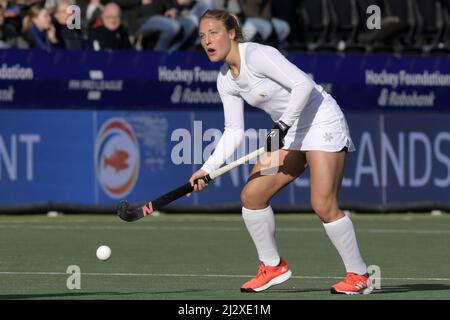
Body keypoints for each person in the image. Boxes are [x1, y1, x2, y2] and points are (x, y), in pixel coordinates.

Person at [189, 9, 373, 295]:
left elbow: (303, 84)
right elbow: (234, 131)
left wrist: (283, 124)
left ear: (231, 33)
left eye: (213, 33)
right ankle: (273, 266)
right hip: (290, 131)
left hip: (320, 120)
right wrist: (207, 168)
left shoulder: (257, 55)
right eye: (202, 36)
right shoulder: (225, 79)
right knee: (252, 195)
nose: (207, 41)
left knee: (323, 205)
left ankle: (359, 274)